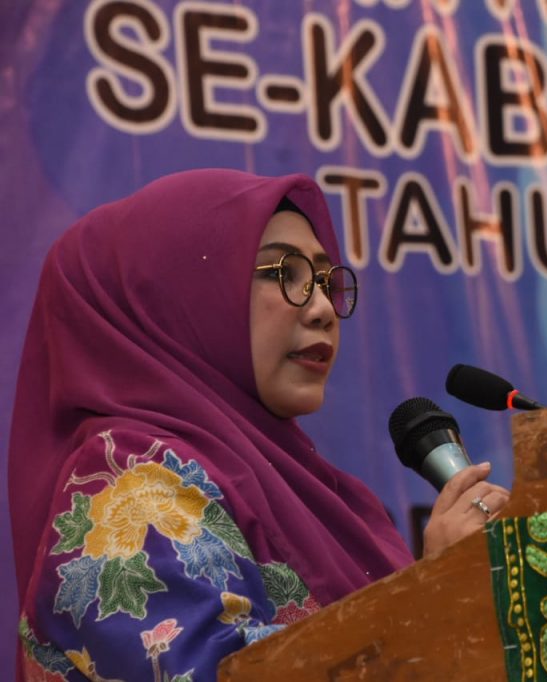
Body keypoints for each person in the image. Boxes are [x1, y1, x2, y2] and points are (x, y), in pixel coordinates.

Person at [8, 169, 510, 681]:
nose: (323, 309)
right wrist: (430, 601)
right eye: (284, 273)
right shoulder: (131, 481)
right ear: (176, 293)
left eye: (325, 281)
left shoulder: (322, 497)